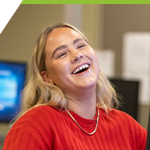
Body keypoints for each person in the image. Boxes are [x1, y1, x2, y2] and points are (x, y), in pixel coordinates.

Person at [3, 22, 147, 150]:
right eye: (62, 54)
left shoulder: (127, 126)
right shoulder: (34, 125)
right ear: (47, 78)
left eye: (81, 46)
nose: (77, 55)